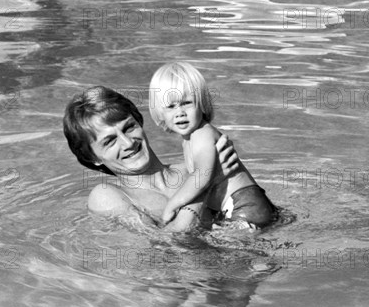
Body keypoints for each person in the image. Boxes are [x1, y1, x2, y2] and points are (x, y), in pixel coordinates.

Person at [63, 85, 239, 232]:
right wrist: (206, 181)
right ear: (92, 157)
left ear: (139, 122)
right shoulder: (107, 196)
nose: (128, 143)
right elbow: (163, 245)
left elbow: (254, 212)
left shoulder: (191, 168)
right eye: (110, 141)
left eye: (129, 127)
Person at [149, 62, 277, 228]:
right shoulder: (189, 140)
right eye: (171, 106)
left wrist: (172, 205)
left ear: (202, 104)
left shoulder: (202, 134)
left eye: (187, 103)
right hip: (248, 204)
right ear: (160, 113)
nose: (180, 112)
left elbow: (202, 176)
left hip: (245, 206)